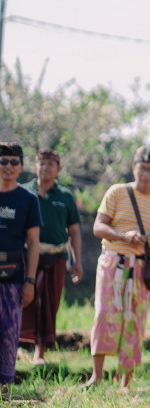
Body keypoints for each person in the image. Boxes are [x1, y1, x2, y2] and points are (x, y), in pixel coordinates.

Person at [88, 146, 150, 389]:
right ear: (133, 167)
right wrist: (123, 235)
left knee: (134, 321)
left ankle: (125, 382)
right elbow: (98, 227)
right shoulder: (117, 192)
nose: (145, 173)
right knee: (103, 315)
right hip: (113, 261)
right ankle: (96, 376)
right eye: (141, 167)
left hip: (141, 267)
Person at [20, 150, 83, 365]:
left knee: (48, 304)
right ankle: (15, 348)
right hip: (26, 256)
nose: (46, 167)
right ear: (35, 166)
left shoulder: (65, 196)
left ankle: (40, 353)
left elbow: (74, 231)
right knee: (22, 299)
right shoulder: (24, 192)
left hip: (56, 256)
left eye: (50, 164)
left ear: (58, 169)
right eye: (42, 163)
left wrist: (77, 260)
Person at [0, 143, 41, 400]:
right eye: (3, 161)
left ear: (21, 167)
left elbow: (34, 243)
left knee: (8, 330)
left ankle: (4, 387)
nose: (8, 166)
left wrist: (30, 281)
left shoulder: (28, 200)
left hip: (13, 276)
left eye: (14, 162)